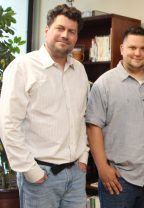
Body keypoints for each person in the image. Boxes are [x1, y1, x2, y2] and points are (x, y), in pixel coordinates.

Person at [0, 4, 89, 207]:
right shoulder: (22, 68)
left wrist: (83, 156)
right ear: (47, 30)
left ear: (76, 37)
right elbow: (8, 125)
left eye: (71, 31)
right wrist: (30, 170)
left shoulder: (80, 70)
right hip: (41, 176)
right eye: (60, 28)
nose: (65, 35)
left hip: (75, 174)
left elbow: (81, 116)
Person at [85, 26, 144, 208]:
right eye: (132, 48)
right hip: (118, 179)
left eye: (143, 48)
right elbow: (93, 127)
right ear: (122, 49)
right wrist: (102, 169)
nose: (137, 53)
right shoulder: (104, 84)